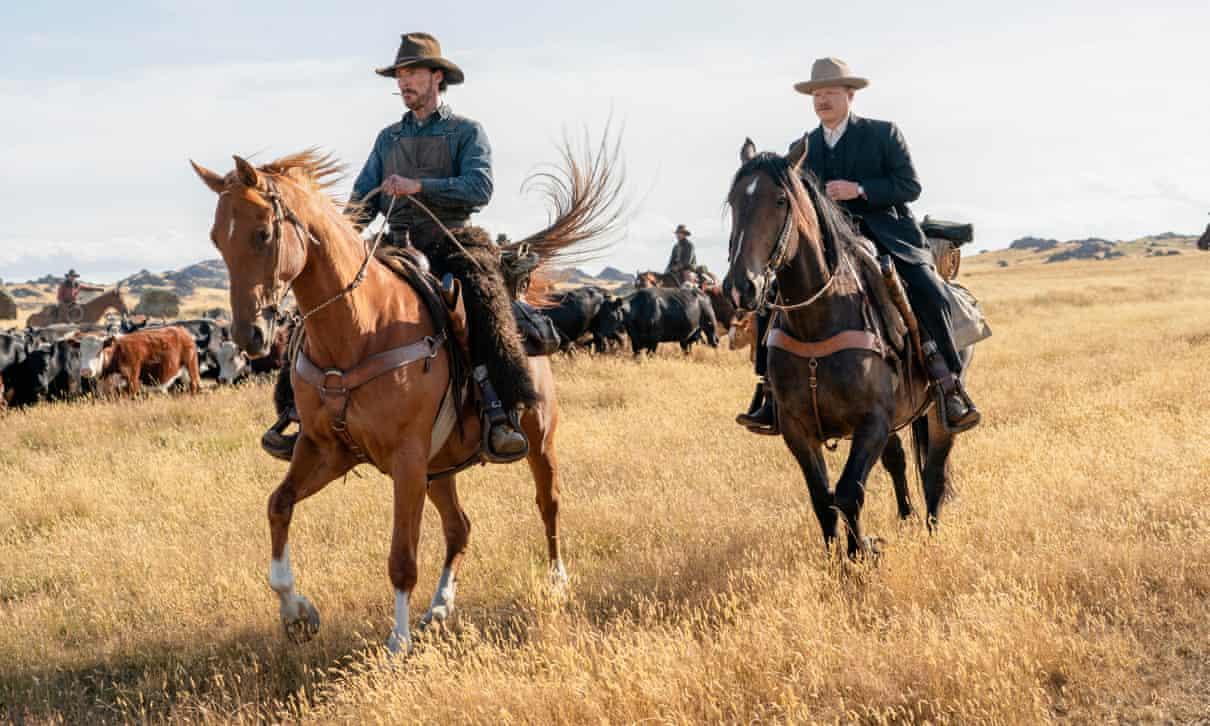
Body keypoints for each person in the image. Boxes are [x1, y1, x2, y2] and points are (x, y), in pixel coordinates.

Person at [274, 32, 530, 462]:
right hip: (394, 242)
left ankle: (500, 410)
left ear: (437, 77)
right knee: (321, 303)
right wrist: (337, 238)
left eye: (411, 73)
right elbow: (361, 202)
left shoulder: (466, 131)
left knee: (484, 301)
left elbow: (479, 187)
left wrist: (418, 186)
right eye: (400, 75)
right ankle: (296, 413)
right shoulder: (388, 138)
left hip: (452, 238)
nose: (404, 82)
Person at [737, 57, 980, 434]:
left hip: (889, 237)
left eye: (830, 92)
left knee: (929, 290)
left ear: (850, 95)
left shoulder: (884, 134)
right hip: (829, 247)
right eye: (816, 94)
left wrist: (860, 190)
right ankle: (767, 394)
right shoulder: (802, 149)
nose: (822, 100)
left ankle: (948, 384)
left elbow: (910, 187)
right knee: (774, 298)